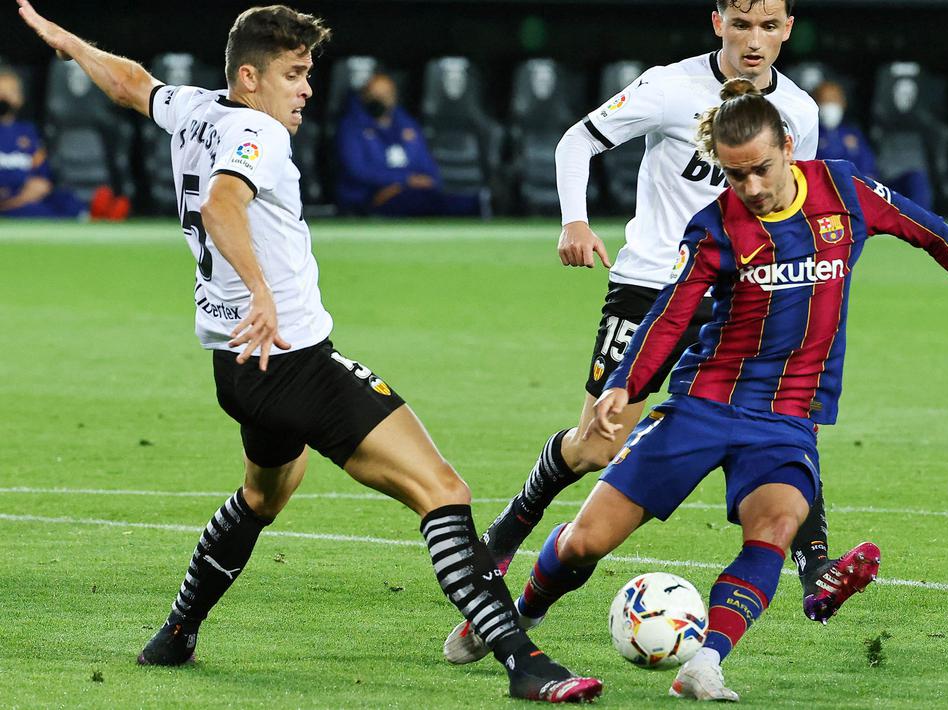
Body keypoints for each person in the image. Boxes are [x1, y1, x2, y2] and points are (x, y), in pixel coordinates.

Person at [15, 1, 600, 702]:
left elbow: (130, 83)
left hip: (238, 368)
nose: (306, 90)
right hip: (292, 362)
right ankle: (522, 663)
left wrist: (69, 42)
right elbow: (222, 205)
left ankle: (175, 633)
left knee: (264, 496)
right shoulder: (255, 132)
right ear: (253, 76)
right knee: (442, 492)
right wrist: (260, 290)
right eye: (294, 74)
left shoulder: (198, 109)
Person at [481, 78, 948, 701]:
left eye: (761, 169)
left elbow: (933, 232)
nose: (753, 188)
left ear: (788, 147)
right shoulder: (715, 225)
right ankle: (519, 616)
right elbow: (672, 315)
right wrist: (624, 386)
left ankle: (707, 661)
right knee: (585, 541)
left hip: (787, 413)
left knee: (776, 524)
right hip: (705, 402)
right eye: (736, 177)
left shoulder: (845, 191)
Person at [444, 0, 878, 665]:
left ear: (788, 28)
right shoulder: (668, 88)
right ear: (717, 24)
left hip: (742, 294)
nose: (753, 40)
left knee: (789, 413)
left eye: (768, 26)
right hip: (652, 287)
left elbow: (798, 201)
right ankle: (507, 533)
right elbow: (577, 139)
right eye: (741, 25)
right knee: (594, 446)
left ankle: (812, 562)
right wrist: (574, 220)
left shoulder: (798, 112)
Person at [334, 71, 485, 217]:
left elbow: (428, 166)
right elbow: (357, 170)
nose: (379, 99)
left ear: (394, 97)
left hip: (413, 192)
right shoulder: (352, 127)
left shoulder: (407, 125)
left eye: (385, 94)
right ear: (364, 96)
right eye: (374, 94)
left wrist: (423, 182)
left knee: (461, 203)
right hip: (373, 196)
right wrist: (403, 180)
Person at [0, 66, 88, 218]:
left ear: (20, 98)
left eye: (11, 92)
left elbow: (42, 180)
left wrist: (33, 190)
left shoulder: (28, 131)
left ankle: (100, 214)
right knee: (37, 212)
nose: (5, 97)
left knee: (67, 201)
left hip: (27, 197)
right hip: (9, 201)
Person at [812, 80, 876, 179]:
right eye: (824, 100)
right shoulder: (811, 134)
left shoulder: (854, 133)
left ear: (843, 103)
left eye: (834, 100)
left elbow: (869, 168)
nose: (830, 105)